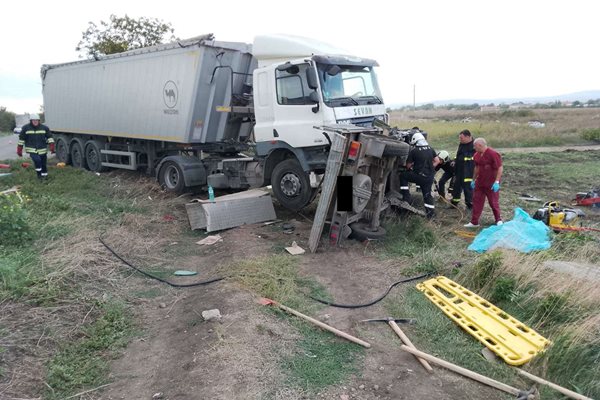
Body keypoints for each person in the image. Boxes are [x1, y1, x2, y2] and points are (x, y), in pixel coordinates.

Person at [464, 138, 503, 227]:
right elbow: (477, 168)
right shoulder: (476, 155)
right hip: (480, 182)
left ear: (480, 145)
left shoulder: (493, 154)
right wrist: (473, 180)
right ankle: (474, 222)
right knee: (477, 200)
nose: (474, 148)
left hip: (491, 183)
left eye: (475, 146)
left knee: (493, 202)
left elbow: (499, 168)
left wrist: (496, 181)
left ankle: (498, 220)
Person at [399, 132, 439, 219]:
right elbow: (437, 161)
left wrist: (412, 166)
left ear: (415, 141)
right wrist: (430, 168)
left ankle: (406, 196)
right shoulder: (430, 149)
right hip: (429, 177)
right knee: (427, 195)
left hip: (419, 176)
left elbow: (408, 165)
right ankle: (431, 215)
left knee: (403, 176)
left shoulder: (414, 151)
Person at [17, 114, 55, 180]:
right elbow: (21, 139)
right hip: (31, 149)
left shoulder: (44, 128)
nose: (35, 122)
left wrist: (51, 145)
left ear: (39, 120)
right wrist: (19, 149)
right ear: (31, 121)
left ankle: (45, 176)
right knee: (37, 160)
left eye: (36, 120)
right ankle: (39, 176)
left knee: (43, 164)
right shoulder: (25, 128)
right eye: (33, 120)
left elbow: (49, 137)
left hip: (42, 149)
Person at [451, 129, 474, 209]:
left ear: (468, 137)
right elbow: (458, 154)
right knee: (456, 186)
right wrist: (455, 160)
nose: (460, 140)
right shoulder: (462, 144)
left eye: (462, 138)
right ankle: (454, 202)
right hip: (459, 169)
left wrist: (464, 158)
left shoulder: (474, 145)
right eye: (460, 138)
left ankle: (469, 204)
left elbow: (473, 158)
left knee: (467, 188)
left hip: (468, 171)